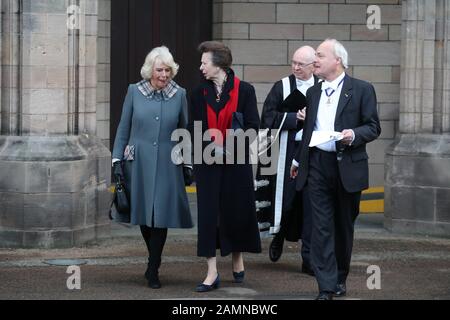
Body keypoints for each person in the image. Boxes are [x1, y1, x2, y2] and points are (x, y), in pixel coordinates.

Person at [291, 39, 381, 300]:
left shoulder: (363, 89)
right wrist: (298, 161)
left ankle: (340, 276)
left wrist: (352, 134)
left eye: (320, 55)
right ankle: (326, 286)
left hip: (347, 167)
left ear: (337, 61)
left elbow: (373, 126)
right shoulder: (313, 92)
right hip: (317, 164)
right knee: (320, 228)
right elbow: (309, 130)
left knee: (343, 227)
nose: (314, 59)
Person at [112, 46, 193, 289]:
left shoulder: (179, 94)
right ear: (150, 70)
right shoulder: (134, 92)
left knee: (161, 216)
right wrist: (117, 161)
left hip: (169, 163)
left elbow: (184, 130)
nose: (164, 75)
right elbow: (123, 127)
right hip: (138, 163)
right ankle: (153, 259)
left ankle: (153, 266)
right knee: (145, 216)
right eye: (160, 70)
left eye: (168, 70)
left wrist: (187, 163)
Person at [189, 41, 261, 292]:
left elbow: (254, 126)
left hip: (236, 162)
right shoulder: (198, 94)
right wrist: (210, 147)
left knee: (235, 211)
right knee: (209, 215)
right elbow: (191, 130)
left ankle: (237, 257)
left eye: (204, 62)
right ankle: (211, 272)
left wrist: (233, 146)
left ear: (219, 64)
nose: (201, 67)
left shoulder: (246, 90)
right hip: (207, 164)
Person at [255, 46, 317, 276]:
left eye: (301, 64)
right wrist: (294, 117)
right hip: (286, 150)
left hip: (310, 151)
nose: (295, 67)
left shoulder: (321, 88)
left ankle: (308, 258)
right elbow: (267, 117)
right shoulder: (282, 86)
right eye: (294, 62)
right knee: (287, 199)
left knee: (307, 202)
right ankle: (278, 236)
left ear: (313, 66)